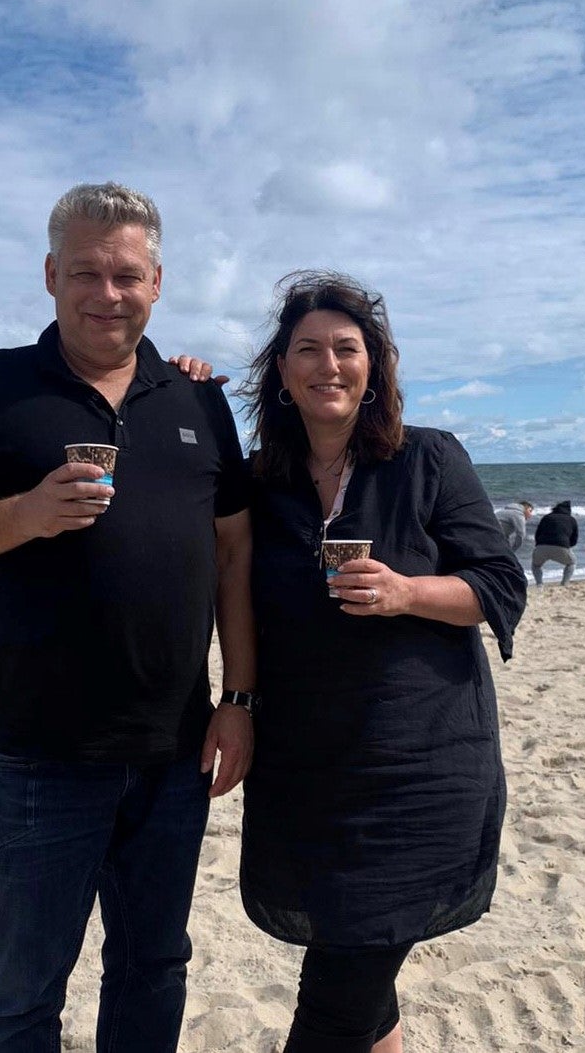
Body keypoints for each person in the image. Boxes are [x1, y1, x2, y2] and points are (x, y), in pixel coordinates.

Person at [0, 182, 256, 1053]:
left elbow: (234, 557)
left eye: (127, 275)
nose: (106, 293)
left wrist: (240, 697)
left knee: (153, 968)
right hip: (38, 755)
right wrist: (22, 514)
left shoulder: (198, 400)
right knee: (20, 993)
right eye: (84, 271)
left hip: (174, 752)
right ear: (51, 275)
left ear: (157, 283)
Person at [175, 270, 526, 1053]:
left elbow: (499, 585)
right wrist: (183, 391)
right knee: (363, 984)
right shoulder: (261, 482)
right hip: (306, 772)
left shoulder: (427, 459)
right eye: (309, 349)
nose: (328, 364)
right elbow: (214, 560)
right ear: (283, 371)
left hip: (422, 766)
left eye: (346, 348)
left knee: (335, 1001)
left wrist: (407, 591)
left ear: (374, 368)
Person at [531, 500, 579, 585]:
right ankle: (565, 583)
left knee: (536, 565)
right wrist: (567, 545)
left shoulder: (546, 517)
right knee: (572, 563)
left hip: (542, 546)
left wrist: (539, 544)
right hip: (561, 546)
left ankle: (539, 584)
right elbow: (574, 539)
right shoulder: (572, 520)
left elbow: (537, 534)